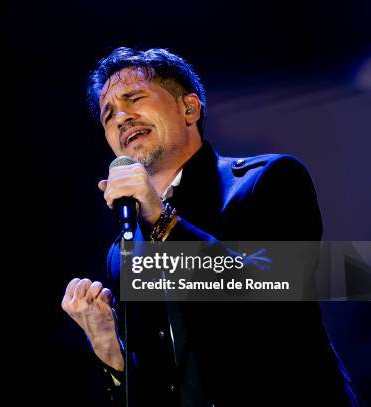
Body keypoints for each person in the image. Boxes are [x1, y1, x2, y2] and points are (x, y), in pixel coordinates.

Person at [61, 47, 359, 406]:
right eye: (108, 115)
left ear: (189, 108)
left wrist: (162, 218)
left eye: (134, 98)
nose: (121, 117)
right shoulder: (126, 246)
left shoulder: (268, 180)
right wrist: (109, 349)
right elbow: (159, 390)